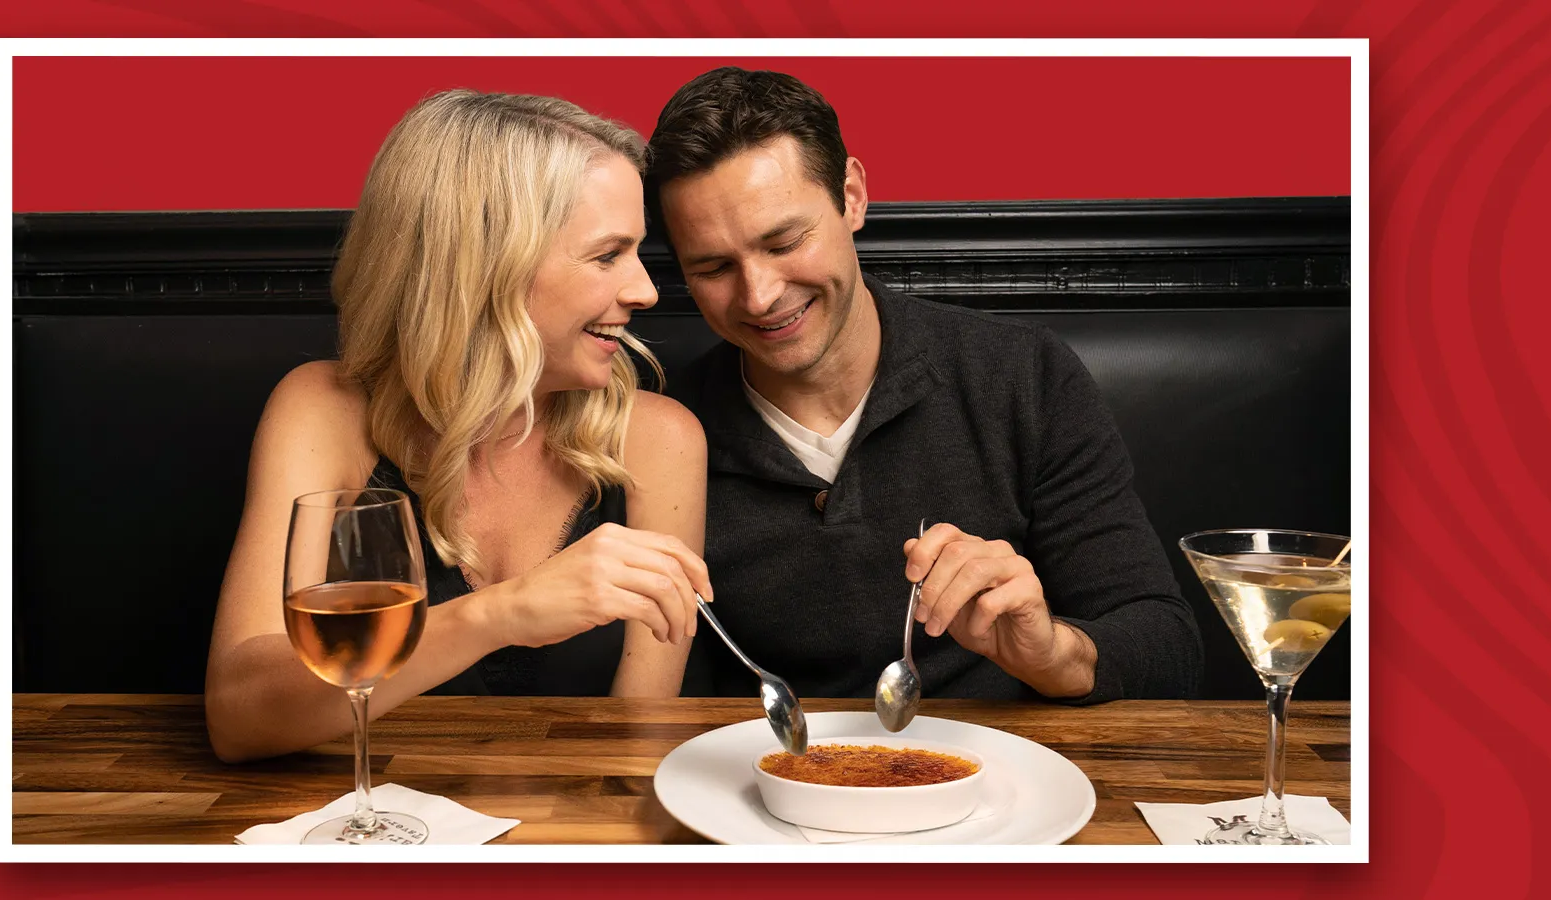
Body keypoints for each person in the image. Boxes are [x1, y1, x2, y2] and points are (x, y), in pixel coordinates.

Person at [646, 67, 1201, 703]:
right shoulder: (660, 424)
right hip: (758, 778)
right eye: (713, 267)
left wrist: (1049, 652)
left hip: (1001, 779)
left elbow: (1168, 647)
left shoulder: (1023, 376)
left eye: (785, 242)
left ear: (851, 195)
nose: (760, 295)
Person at [206, 90, 713, 763]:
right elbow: (239, 718)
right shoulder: (322, 410)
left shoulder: (661, 440)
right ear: (485, 268)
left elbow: (631, 747)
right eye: (606, 255)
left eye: (638, 252)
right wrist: (499, 614)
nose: (645, 290)